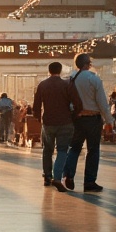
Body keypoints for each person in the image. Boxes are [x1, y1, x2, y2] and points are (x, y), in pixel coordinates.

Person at [63, 53, 109, 192]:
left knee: (74, 147)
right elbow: (102, 102)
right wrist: (109, 120)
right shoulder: (93, 79)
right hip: (93, 119)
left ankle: (68, 175)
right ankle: (89, 182)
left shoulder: (71, 80)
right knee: (93, 150)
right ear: (87, 64)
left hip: (77, 118)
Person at [32, 61, 75, 189]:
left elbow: (36, 105)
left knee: (47, 150)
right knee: (62, 150)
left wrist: (39, 118)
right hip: (65, 122)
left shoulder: (43, 85)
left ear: (49, 71)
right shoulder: (66, 84)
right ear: (60, 71)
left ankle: (47, 176)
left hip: (48, 122)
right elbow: (74, 103)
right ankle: (57, 177)